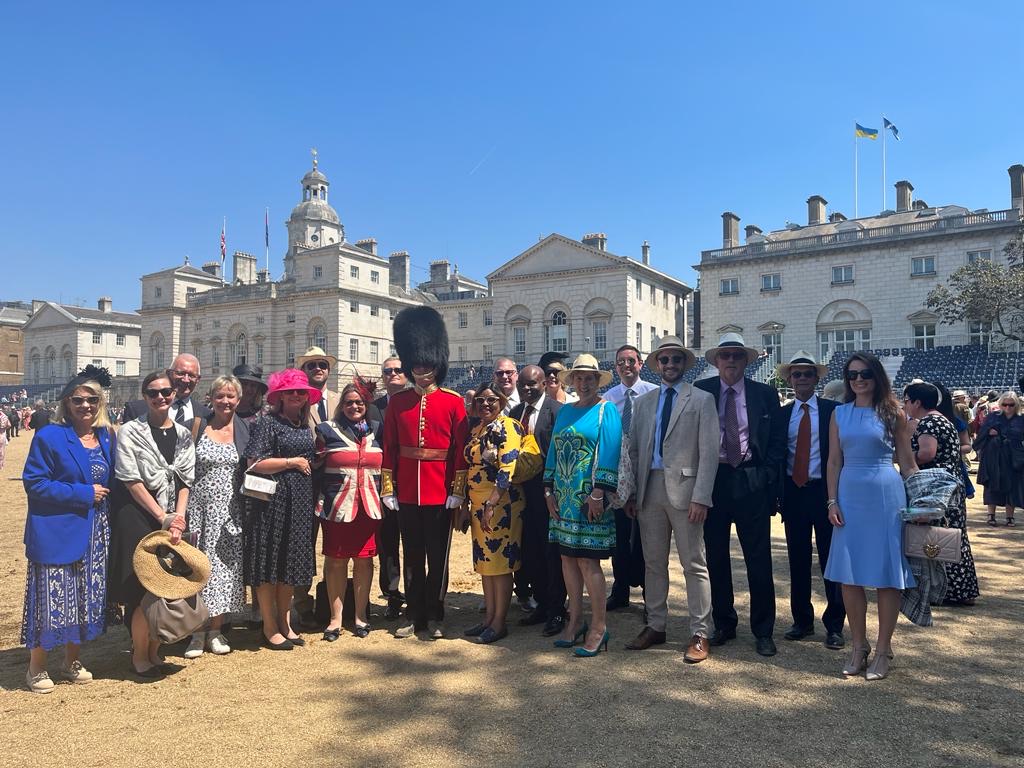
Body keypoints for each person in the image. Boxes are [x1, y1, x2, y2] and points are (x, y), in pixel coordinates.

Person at [21, 367, 115, 693]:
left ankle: (71, 661)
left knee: (85, 598)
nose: (85, 405)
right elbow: (35, 483)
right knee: (51, 598)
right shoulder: (50, 436)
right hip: (58, 529)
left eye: (92, 399)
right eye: (78, 399)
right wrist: (83, 494)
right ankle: (36, 667)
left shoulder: (105, 436)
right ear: (66, 403)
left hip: (97, 532)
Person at [825, 352, 918, 681]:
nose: (858, 380)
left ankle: (882, 650)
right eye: (852, 375)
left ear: (876, 376)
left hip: (885, 495)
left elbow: (907, 462)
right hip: (849, 495)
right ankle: (858, 646)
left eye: (864, 373)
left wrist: (923, 501)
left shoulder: (894, 412)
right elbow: (834, 461)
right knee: (849, 575)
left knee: (886, 576)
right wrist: (832, 501)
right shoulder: (839, 414)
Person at [624, 338, 717, 663]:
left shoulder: (702, 399)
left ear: (684, 363)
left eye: (676, 359)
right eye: (665, 360)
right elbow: (635, 450)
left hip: (687, 492)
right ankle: (656, 625)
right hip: (649, 489)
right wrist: (632, 492)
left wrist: (701, 496)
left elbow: (709, 453)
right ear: (657, 364)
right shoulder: (644, 402)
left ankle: (701, 632)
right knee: (653, 563)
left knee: (694, 564)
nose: (670, 364)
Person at [695, 333, 785, 657]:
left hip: (751, 480)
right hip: (714, 480)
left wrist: (766, 475)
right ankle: (724, 623)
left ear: (746, 360)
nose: (731, 360)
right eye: (725, 355)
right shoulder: (702, 391)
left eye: (737, 355)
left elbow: (777, 441)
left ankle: (763, 630)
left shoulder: (765, 394)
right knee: (716, 557)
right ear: (717, 361)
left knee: (758, 559)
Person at [381, 307, 468, 640]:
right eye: (416, 365)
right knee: (412, 556)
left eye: (427, 364)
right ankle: (414, 614)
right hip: (406, 491)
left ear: (437, 364)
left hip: (440, 492)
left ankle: (436, 613)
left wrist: (456, 489)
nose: (421, 370)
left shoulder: (453, 402)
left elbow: (459, 451)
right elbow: (390, 448)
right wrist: (388, 488)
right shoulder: (398, 402)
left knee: (438, 556)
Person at [111, 370, 195, 678]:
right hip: (137, 516)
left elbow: (185, 480)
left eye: (166, 392)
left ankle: (155, 650)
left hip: (171, 517)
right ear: (144, 397)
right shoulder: (130, 431)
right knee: (142, 589)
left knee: (166, 585)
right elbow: (130, 479)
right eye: (153, 393)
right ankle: (139, 654)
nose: (160, 397)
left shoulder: (183, 434)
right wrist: (162, 516)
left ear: (174, 394)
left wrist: (178, 519)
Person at [543, 354, 622, 657]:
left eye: (590, 378)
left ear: (597, 381)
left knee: (589, 562)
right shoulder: (565, 411)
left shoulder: (606, 410)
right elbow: (553, 451)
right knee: (567, 559)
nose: (584, 383)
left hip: (590, 499)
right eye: (579, 377)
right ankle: (575, 620)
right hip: (563, 497)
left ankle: (599, 627)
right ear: (572, 380)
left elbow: (611, 452)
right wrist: (547, 490)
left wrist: (599, 492)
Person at [771, 352, 846, 649]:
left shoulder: (833, 411)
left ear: (817, 378)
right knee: (798, 560)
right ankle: (801, 621)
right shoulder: (782, 415)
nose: (802, 378)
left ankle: (835, 625)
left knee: (831, 559)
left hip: (825, 492)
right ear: (789, 380)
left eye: (807, 374)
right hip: (794, 492)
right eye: (796, 374)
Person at [243, 368, 319, 650]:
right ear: (280, 396)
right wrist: (291, 462)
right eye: (290, 391)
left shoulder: (303, 425)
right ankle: (269, 625)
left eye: (301, 391)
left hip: (299, 501)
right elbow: (254, 462)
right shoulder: (268, 423)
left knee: (290, 564)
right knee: (269, 564)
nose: (297, 395)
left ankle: (285, 623)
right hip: (272, 502)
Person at [182, 375, 251, 658]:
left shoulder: (245, 429)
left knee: (224, 570)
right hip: (198, 510)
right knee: (196, 569)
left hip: (230, 512)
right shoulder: (197, 426)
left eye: (230, 396)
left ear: (239, 399)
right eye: (220, 396)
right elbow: (181, 469)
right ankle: (196, 632)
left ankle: (216, 630)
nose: (225, 401)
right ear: (210, 398)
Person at [315, 384, 384, 640]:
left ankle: (360, 616)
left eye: (359, 402)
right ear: (341, 405)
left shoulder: (378, 430)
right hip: (337, 507)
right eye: (349, 402)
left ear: (366, 405)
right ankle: (335, 619)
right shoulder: (326, 430)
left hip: (369, 507)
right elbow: (316, 465)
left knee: (364, 561)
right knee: (336, 561)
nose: (354, 407)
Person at [458, 383, 525, 643]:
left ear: (502, 401)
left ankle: (499, 622)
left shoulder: (508, 426)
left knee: (500, 565)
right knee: (485, 563)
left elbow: (507, 469)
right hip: (478, 503)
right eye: (481, 400)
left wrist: (491, 504)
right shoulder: (477, 429)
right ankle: (488, 618)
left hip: (500, 504)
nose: (485, 404)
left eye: (491, 400)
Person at [903, 382, 980, 606]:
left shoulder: (929, 423)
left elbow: (927, 453)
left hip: (936, 489)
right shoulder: (943, 419)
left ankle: (946, 590)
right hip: (949, 486)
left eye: (907, 401)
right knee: (953, 536)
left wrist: (904, 457)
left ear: (917, 402)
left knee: (939, 537)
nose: (905, 405)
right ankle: (962, 590)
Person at [509, 364, 567, 636]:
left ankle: (557, 610)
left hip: (549, 492)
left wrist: (550, 489)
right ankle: (542, 604)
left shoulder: (558, 412)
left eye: (532, 383)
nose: (526, 388)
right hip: (522, 495)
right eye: (522, 384)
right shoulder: (515, 413)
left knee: (551, 553)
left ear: (544, 383)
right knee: (531, 552)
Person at [603, 344, 658, 613]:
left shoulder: (654, 393)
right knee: (620, 538)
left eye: (631, 361)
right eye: (621, 362)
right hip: (619, 476)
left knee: (648, 539)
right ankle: (620, 590)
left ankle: (650, 596)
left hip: (648, 472)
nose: (626, 366)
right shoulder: (608, 399)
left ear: (640, 364)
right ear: (616, 367)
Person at [294, 345, 340, 626]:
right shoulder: (297, 400)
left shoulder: (340, 400)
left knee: (336, 544)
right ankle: (302, 604)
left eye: (322, 364)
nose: (318, 369)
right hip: (306, 480)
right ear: (304, 371)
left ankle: (333, 602)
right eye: (311, 365)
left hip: (337, 480)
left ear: (329, 370)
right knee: (304, 543)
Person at [374, 357, 408, 619]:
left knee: (414, 543)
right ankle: (392, 595)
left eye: (398, 370)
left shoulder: (416, 402)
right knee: (387, 544)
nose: (393, 374)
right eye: (388, 371)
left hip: (410, 482)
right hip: (382, 485)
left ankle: (415, 592)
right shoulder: (372, 408)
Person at [975, 391, 1024, 528]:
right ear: (1001, 404)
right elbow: (980, 434)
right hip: (993, 457)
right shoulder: (992, 417)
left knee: (1012, 486)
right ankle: (991, 515)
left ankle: (1010, 516)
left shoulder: (1021, 419)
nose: (1008, 407)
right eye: (1005, 404)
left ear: (1016, 405)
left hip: (1013, 457)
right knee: (992, 485)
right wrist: (988, 432)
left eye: (1011, 405)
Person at [122, 353, 211, 424]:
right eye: (181, 373)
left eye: (191, 375)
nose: (186, 380)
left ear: (198, 379)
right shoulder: (137, 410)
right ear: (169, 373)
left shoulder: (206, 415)